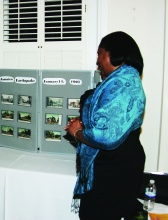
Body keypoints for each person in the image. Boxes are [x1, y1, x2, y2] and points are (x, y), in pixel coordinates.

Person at [65, 31, 146, 220]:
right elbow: (107, 121)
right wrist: (83, 126)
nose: (97, 61)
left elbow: (107, 136)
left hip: (113, 171)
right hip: (113, 165)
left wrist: (78, 132)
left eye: (99, 53)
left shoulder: (123, 84)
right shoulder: (122, 81)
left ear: (113, 53)